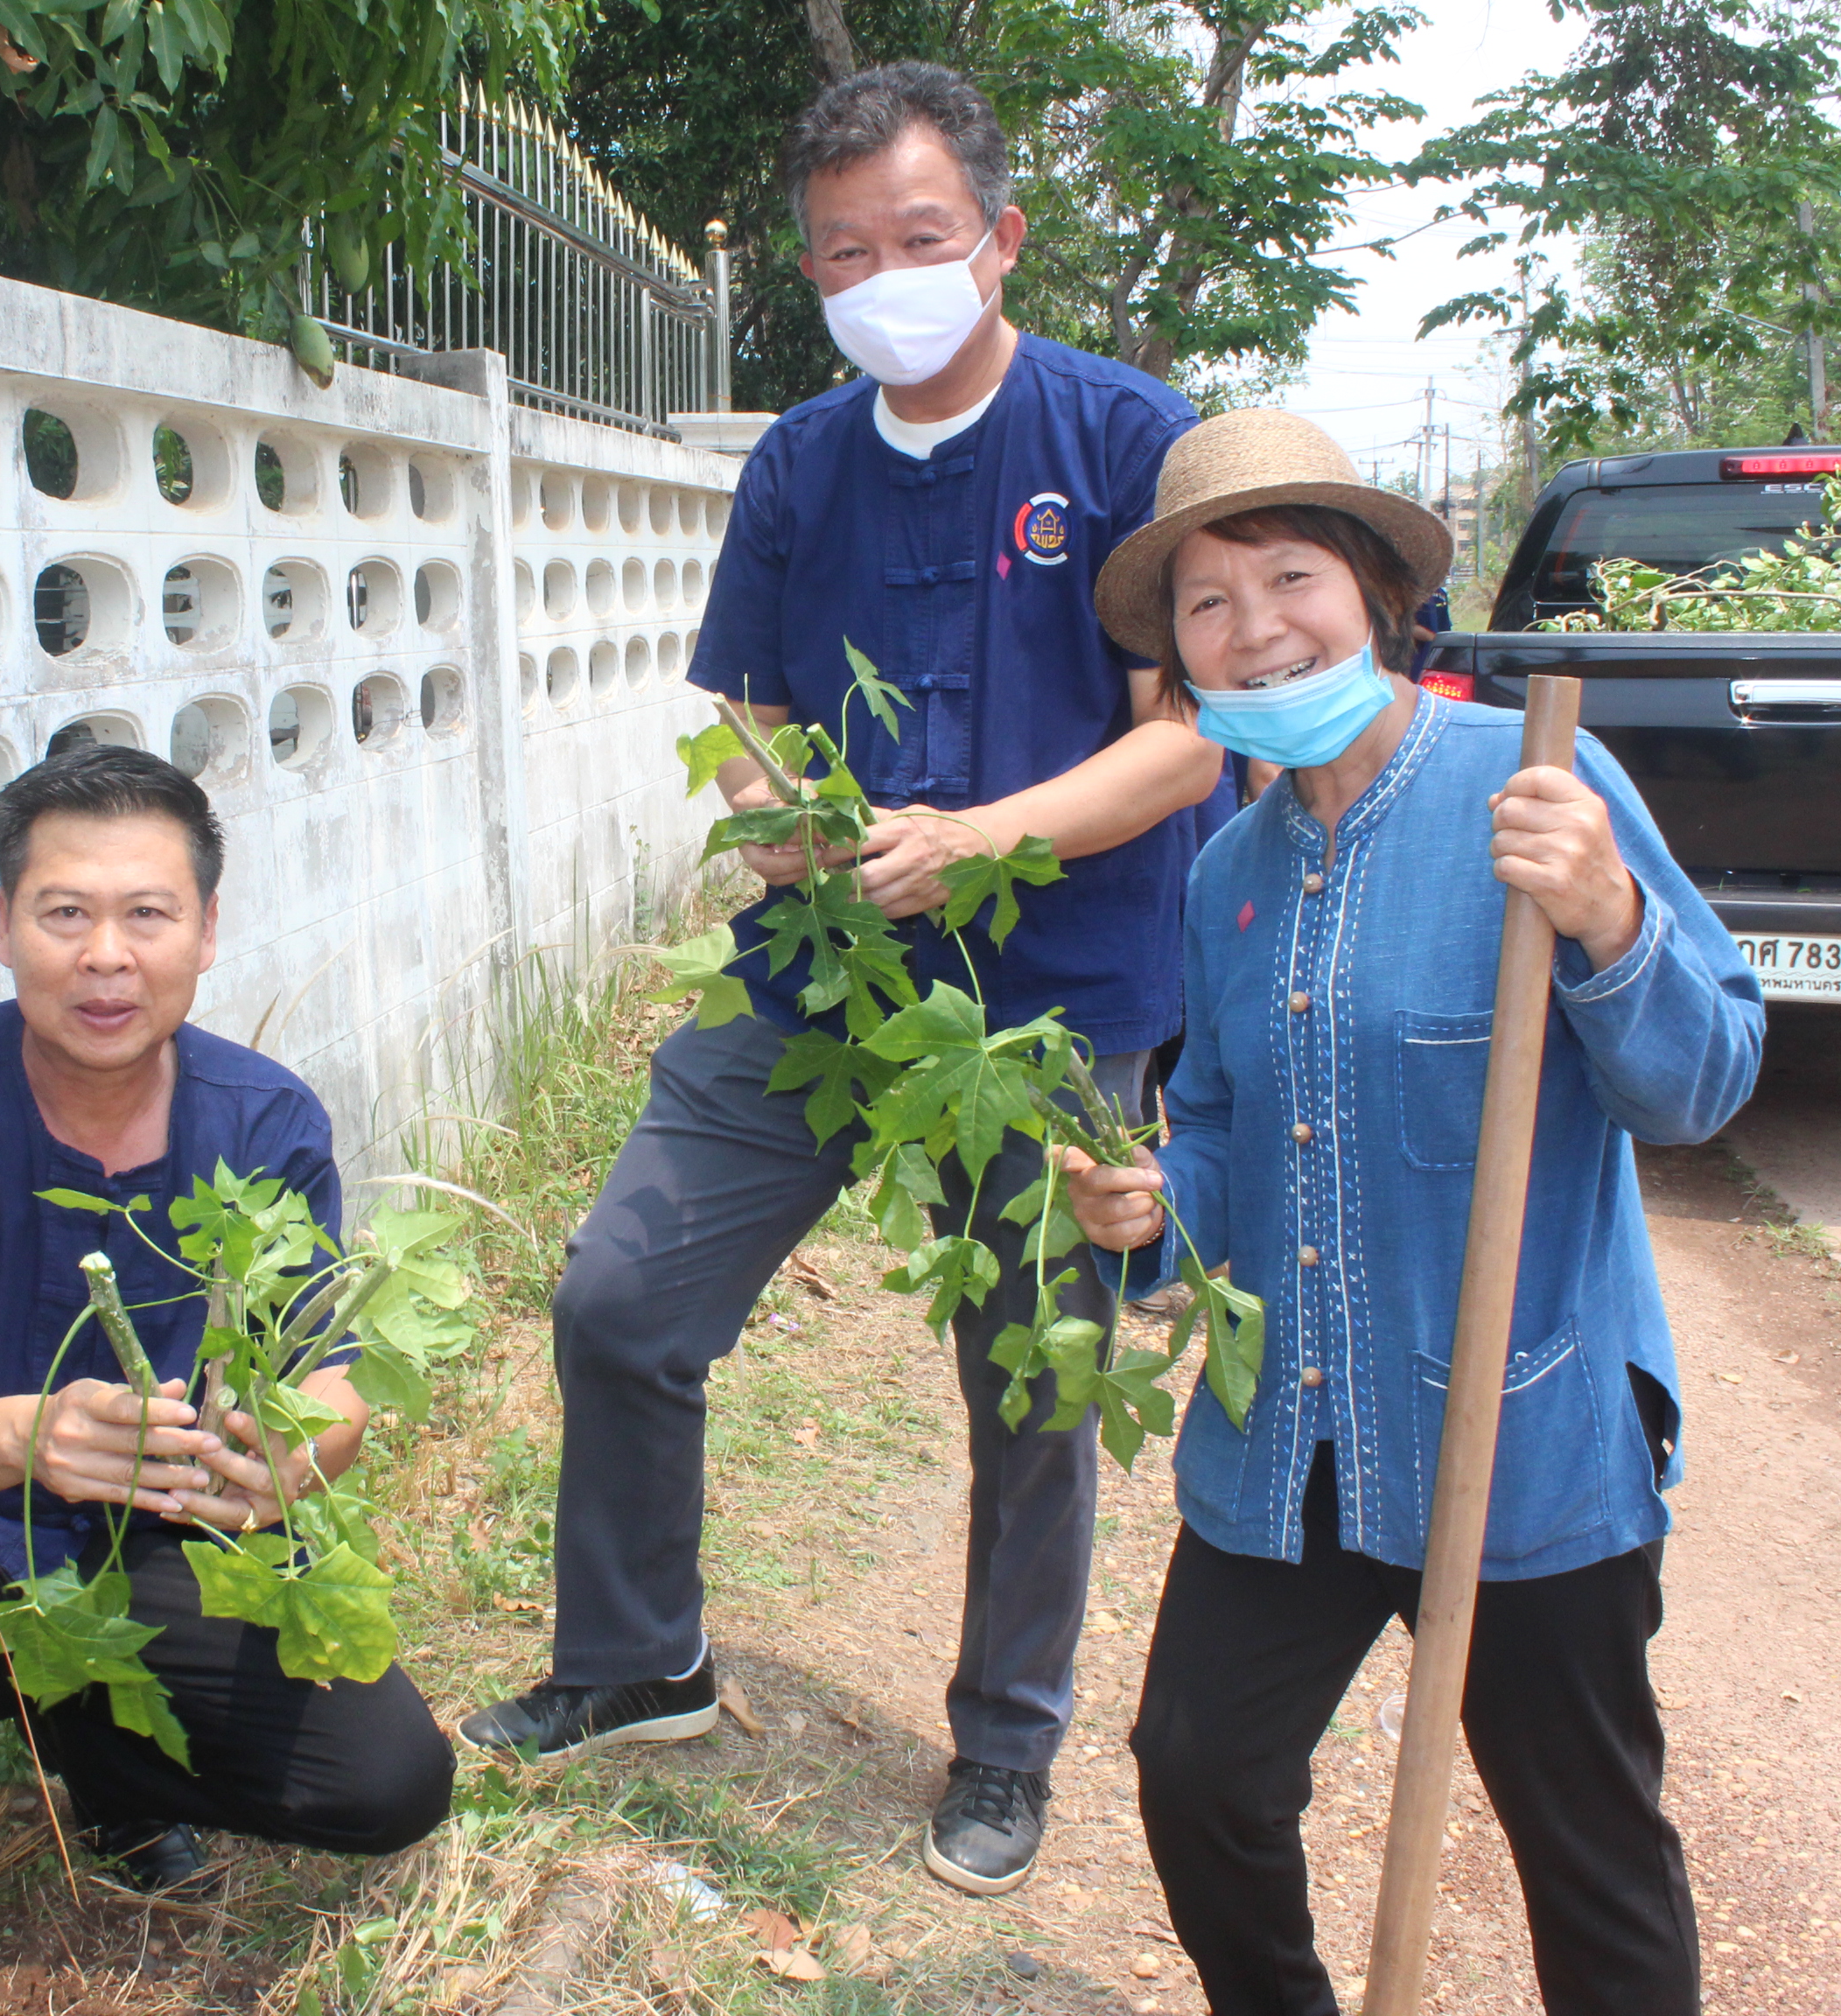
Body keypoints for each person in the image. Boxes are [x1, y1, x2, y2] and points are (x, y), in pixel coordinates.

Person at [458, 60, 1223, 1900]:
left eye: (921, 237)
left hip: (1055, 1003)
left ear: (1000, 237)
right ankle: (635, 1659)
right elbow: (743, 706)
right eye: (841, 253)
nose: (884, 275)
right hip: (823, 985)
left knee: (1034, 1380)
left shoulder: (1126, 441)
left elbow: (1191, 739)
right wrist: (777, 807)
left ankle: (1010, 1743)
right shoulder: (799, 464)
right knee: (622, 1296)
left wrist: (982, 840)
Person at [1064, 407, 1764, 2015]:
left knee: (1586, 1850)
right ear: (1176, 653)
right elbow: (1227, 1125)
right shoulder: (1222, 867)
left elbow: (1705, 1081)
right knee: (1199, 1776)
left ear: (1376, 593)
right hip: (1294, 1434)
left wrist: (1607, 918)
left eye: (1288, 576)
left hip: (1516, 1430)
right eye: (1206, 604)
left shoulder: (1540, 785)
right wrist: (1158, 1204)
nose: (1254, 630)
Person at [0, 748, 454, 2016]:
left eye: (148, 914)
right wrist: (31, 1437)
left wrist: (290, 1461)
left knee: (389, 1783)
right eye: (65, 914)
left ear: (205, 933)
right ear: (3, 929)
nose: (106, 957)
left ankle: (109, 1766)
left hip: (162, 1540)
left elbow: (329, 1382)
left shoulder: (266, 1121)